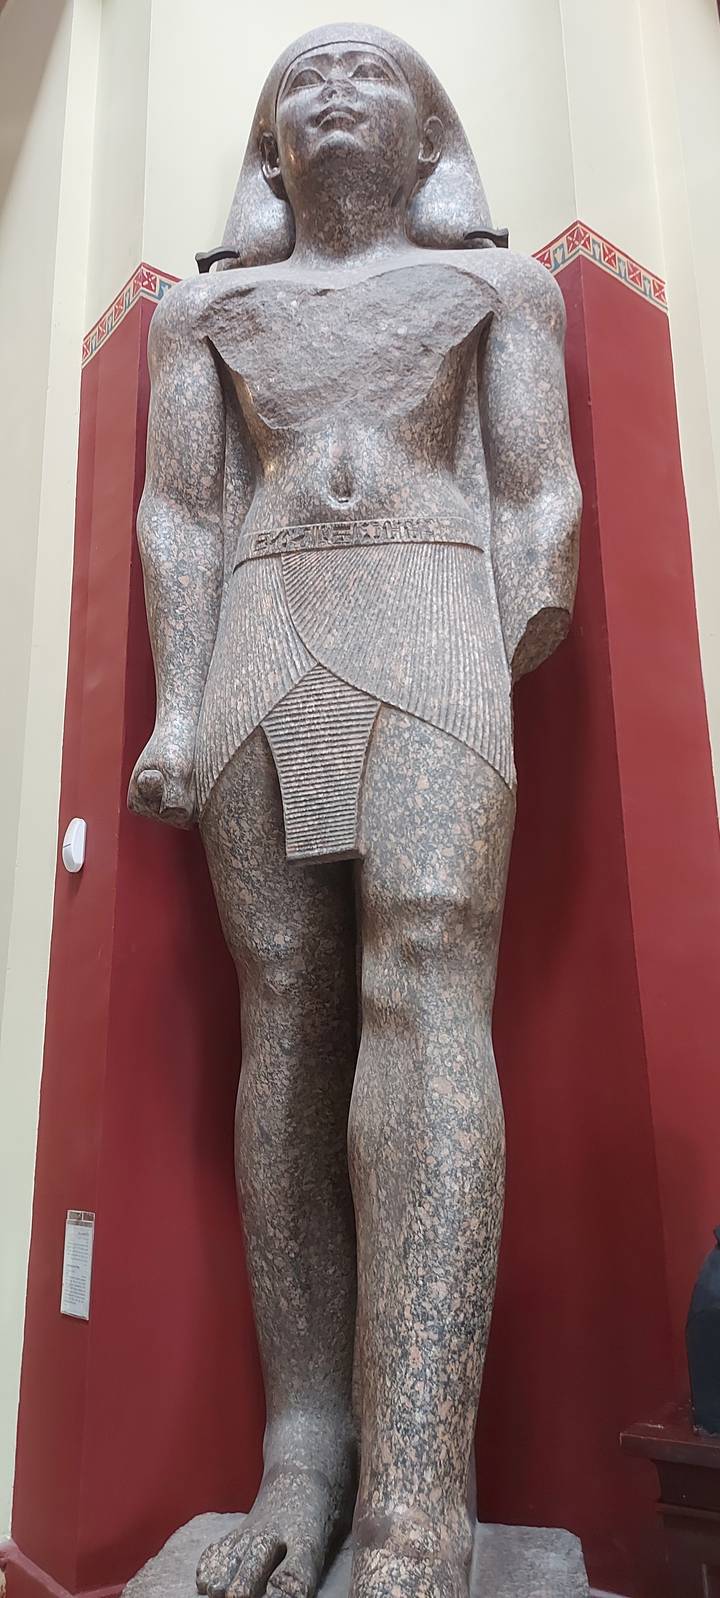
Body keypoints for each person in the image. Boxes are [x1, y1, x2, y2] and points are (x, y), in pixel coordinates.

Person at [128, 23, 581, 1598]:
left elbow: (540, 495)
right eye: (299, 79)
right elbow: (183, 513)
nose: (331, 90)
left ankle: (414, 1499)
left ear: (426, 129)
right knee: (293, 1010)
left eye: (368, 71)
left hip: (437, 610)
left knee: (427, 972)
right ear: (269, 152)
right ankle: (304, 1460)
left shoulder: (502, 290)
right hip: (262, 636)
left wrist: (514, 612)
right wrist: (180, 702)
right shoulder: (207, 313)